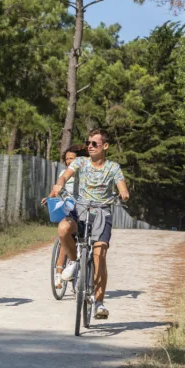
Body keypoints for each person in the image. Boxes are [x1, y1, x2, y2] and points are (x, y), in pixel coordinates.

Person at [50, 129, 129, 320]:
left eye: (95, 143)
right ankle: (75, 262)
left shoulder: (113, 168)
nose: (90, 147)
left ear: (105, 146)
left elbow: (122, 187)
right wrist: (59, 183)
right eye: (89, 143)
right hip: (81, 209)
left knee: (99, 255)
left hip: (102, 212)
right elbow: (66, 175)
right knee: (63, 229)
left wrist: (124, 194)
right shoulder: (80, 162)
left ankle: (99, 303)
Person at [43, 148, 80, 289]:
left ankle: (77, 268)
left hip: (80, 208)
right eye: (68, 158)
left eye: (73, 158)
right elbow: (56, 189)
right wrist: (49, 197)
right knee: (63, 238)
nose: (69, 161)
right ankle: (59, 274)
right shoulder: (62, 174)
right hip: (66, 207)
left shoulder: (82, 174)